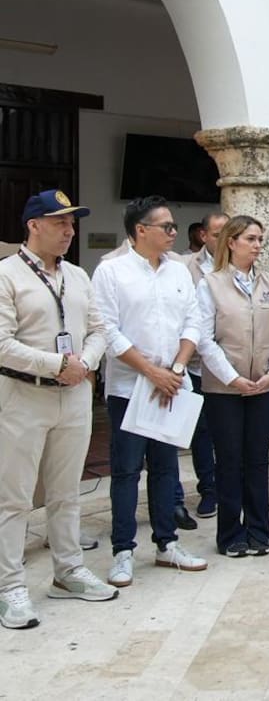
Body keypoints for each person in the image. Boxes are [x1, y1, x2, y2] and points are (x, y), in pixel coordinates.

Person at [0, 190, 116, 630]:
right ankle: (9, 586)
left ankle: (68, 572)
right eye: (59, 222)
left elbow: (100, 329)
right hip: (23, 397)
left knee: (66, 492)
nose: (69, 230)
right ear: (34, 225)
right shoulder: (7, 275)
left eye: (71, 222)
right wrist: (56, 365)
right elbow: (2, 344)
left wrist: (84, 362)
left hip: (74, 396)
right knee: (14, 497)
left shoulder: (78, 275)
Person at [92, 196, 208, 587]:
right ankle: (123, 550)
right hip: (130, 387)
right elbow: (107, 330)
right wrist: (151, 372)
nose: (175, 232)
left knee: (166, 467)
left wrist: (175, 369)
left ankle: (166, 543)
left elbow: (194, 321)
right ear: (141, 230)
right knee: (126, 470)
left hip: (173, 384)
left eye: (174, 226)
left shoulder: (178, 271)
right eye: (167, 226)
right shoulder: (111, 271)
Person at [194, 215, 269, 557]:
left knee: (257, 460)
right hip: (225, 390)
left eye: (260, 238)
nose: (258, 245)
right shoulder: (210, 283)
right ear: (231, 242)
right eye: (250, 238)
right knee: (229, 460)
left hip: (264, 385)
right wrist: (232, 378)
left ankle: (259, 531)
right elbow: (204, 339)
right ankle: (230, 534)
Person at [178, 210, 228, 524]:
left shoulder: (242, 266)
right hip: (198, 363)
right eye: (218, 234)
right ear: (203, 235)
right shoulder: (185, 267)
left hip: (232, 363)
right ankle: (208, 487)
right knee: (202, 431)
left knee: (228, 430)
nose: (224, 240)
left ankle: (229, 485)